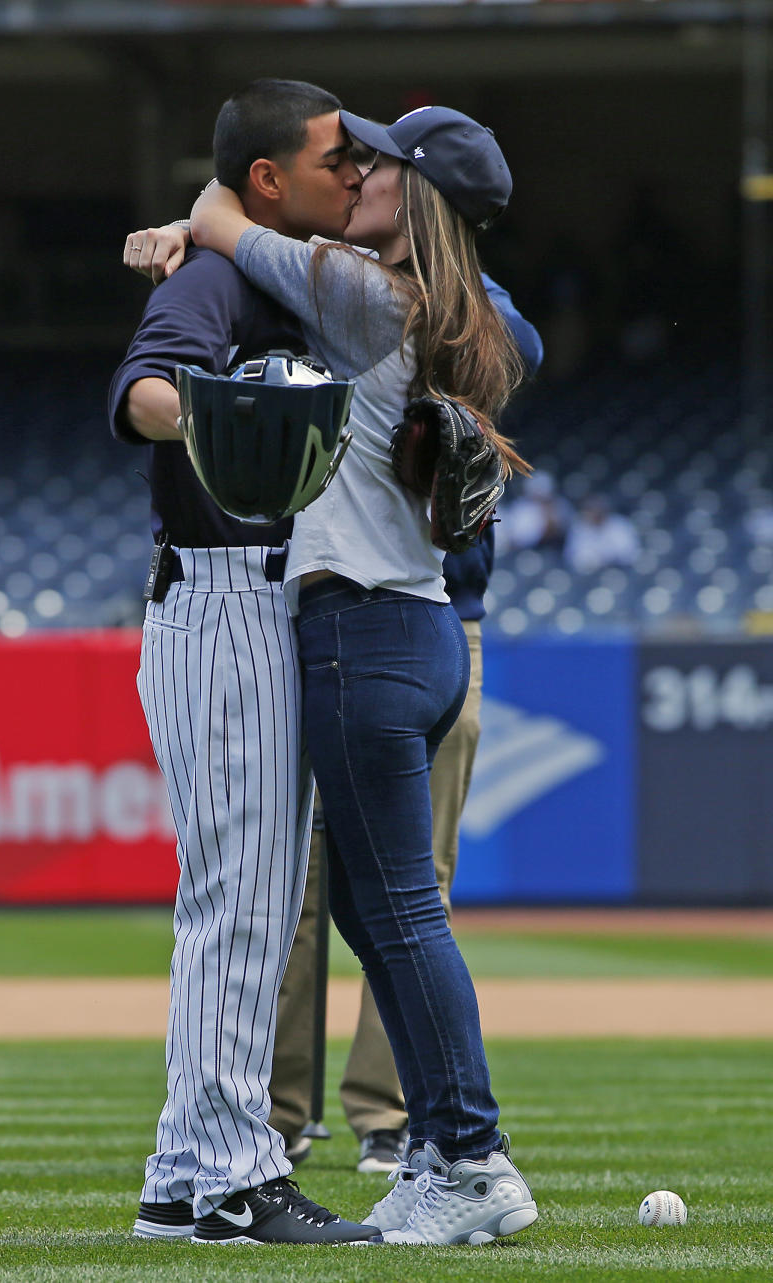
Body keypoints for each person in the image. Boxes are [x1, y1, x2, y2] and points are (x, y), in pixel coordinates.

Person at [187, 104, 538, 1245]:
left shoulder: (368, 291)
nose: (357, 172)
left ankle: (473, 1153)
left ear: (413, 193)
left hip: (364, 632)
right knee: (372, 900)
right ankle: (438, 1142)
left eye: (376, 162)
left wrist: (176, 227)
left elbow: (218, 216)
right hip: (423, 630)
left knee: (394, 905)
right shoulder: (463, 314)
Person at [107, 78, 380, 1247]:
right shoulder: (220, 274)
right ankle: (232, 1178)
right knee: (246, 904)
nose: (354, 172)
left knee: (241, 903)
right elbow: (140, 390)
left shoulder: (269, 258)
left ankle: (184, 1173)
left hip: (255, 601)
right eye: (334, 158)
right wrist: (215, 412)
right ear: (268, 180)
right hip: (225, 597)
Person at [269, 298, 543, 1176]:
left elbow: (517, 345)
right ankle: (277, 1112)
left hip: (432, 613)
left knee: (411, 883)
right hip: (321, 609)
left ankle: (395, 1119)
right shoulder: (332, 287)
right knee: (304, 886)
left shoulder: (456, 302)